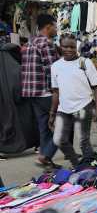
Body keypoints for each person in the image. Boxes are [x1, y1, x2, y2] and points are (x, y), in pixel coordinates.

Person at [49, 34, 97, 167]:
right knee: (59, 139)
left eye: (72, 47)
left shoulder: (85, 63)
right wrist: (52, 113)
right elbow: (56, 92)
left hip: (83, 106)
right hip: (64, 109)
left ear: (76, 47)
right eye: (65, 46)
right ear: (60, 47)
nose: (69, 49)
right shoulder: (55, 66)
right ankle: (77, 166)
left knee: (83, 141)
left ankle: (91, 167)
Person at [21, 14, 60, 169]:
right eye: (55, 26)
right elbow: (53, 71)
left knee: (44, 128)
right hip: (46, 93)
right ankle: (45, 156)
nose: (57, 29)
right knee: (63, 126)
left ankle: (46, 160)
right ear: (48, 27)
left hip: (32, 92)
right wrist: (59, 93)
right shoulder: (46, 44)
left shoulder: (30, 43)